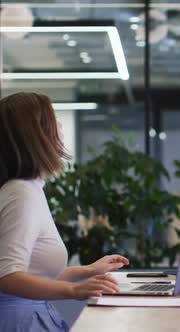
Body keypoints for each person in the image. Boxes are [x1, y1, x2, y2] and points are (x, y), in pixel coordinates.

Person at [0, 92, 129, 331]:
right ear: (35, 134)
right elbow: (8, 277)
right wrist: (73, 290)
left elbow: (33, 274)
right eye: (53, 118)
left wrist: (88, 271)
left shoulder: (29, 188)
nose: (60, 125)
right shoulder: (20, 194)